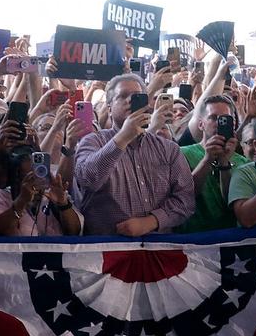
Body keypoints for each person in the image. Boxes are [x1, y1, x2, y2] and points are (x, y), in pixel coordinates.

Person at [74, 73, 195, 236]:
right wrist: (123, 138)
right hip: (107, 252)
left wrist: (152, 221)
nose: (130, 100)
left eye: (136, 96)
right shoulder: (92, 142)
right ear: (109, 109)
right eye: (123, 96)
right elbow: (88, 180)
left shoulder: (168, 149)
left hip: (160, 249)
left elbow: (186, 200)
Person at [177, 95, 245, 233]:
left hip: (230, 239)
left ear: (234, 124)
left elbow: (233, 204)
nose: (219, 123)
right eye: (214, 118)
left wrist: (224, 163)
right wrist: (207, 160)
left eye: (225, 119)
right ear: (201, 124)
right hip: (192, 240)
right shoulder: (180, 154)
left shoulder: (243, 162)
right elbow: (183, 196)